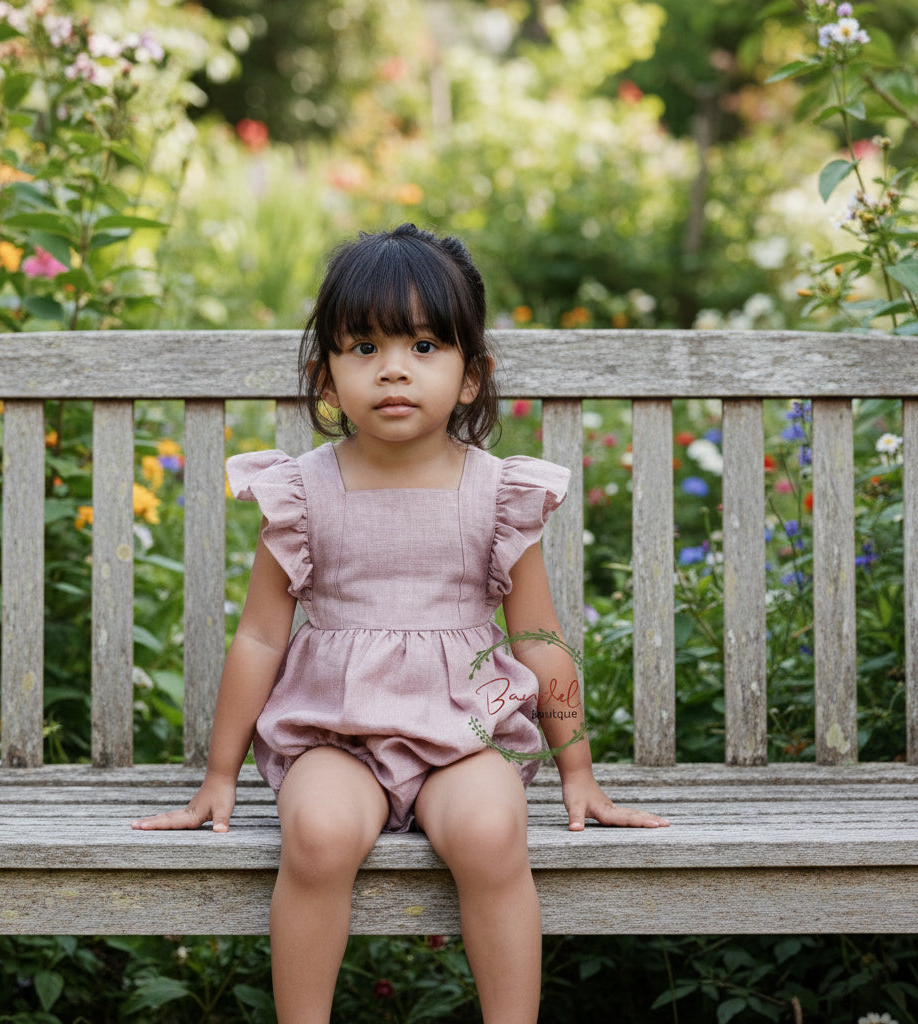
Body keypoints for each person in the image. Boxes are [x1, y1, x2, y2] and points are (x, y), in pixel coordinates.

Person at [132, 223, 669, 1023]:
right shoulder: (303, 491)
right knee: (314, 833)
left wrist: (577, 772)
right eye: (362, 347)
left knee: (491, 834)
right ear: (325, 376)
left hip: (465, 738)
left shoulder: (496, 493)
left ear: (471, 375)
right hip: (334, 735)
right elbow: (259, 637)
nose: (392, 368)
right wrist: (219, 775)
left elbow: (538, 639)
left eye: (423, 345)